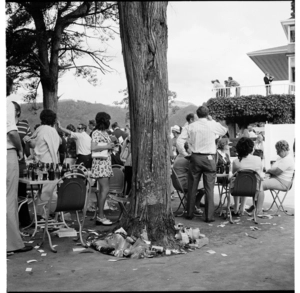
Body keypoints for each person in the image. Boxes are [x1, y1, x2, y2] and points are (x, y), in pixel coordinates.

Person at [177, 105, 228, 222]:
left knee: (192, 187)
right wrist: (212, 120)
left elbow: (180, 141)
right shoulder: (212, 124)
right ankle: (209, 217)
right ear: (207, 114)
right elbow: (224, 130)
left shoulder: (191, 126)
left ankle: (189, 213)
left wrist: (185, 154)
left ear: (197, 115)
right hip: (209, 158)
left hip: (195, 157)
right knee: (209, 187)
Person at [6, 77, 32, 254]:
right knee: (9, 198)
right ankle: (12, 243)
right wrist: (21, 149)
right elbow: (12, 132)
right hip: (7, 152)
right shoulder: (7, 103)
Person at [24, 109, 61, 219]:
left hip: (40, 164)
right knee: (50, 190)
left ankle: (43, 213)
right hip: (51, 164)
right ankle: (46, 212)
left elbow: (33, 144)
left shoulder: (40, 130)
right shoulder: (52, 131)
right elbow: (58, 143)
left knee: (44, 190)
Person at [256, 140, 295, 215]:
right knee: (256, 182)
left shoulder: (288, 159)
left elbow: (277, 171)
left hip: (283, 182)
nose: (277, 153)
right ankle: (256, 206)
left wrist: (269, 171)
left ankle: (258, 210)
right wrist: (270, 172)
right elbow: (274, 170)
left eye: (278, 151)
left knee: (259, 185)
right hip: (276, 178)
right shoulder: (281, 158)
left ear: (283, 150)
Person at [90, 112, 115, 225]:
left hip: (106, 163)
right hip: (100, 164)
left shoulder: (104, 133)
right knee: (104, 190)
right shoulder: (96, 132)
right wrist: (107, 146)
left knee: (104, 190)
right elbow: (93, 147)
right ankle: (100, 216)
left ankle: (100, 214)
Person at [12, 101, 32, 229]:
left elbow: (31, 143)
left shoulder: (24, 125)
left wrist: (30, 141)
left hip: (21, 163)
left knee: (21, 193)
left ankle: (25, 221)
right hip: (8, 161)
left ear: (18, 111)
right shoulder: (6, 123)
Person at [231, 137, 263, 216]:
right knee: (247, 181)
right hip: (253, 189)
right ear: (251, 148)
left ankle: (236, 209)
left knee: (239, 180)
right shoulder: (258, 159)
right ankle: (242, 208)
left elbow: (233, 173)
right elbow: (260, 172)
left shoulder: (236, 161)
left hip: (237, 189)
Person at [173, 142, 205, 216]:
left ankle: (194, 204)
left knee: (201, 185)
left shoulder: (180, 156)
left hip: (178, 182)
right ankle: (194, 206)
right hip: (183, 183)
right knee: (205, 187)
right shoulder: (187, 158)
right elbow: (197, 170)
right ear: (187, 149)